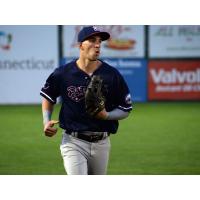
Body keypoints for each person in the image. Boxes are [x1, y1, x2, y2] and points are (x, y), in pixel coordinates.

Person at [40, 26, 133, 175]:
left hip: (102, 143)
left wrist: (107, 116)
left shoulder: (111, 74)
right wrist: (46, 121)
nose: (97, 45)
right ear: (80, 45)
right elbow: (48, 95)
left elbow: (125, 108)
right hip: (73, 141)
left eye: (99, 42)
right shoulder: (63, 73)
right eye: (92, 40)